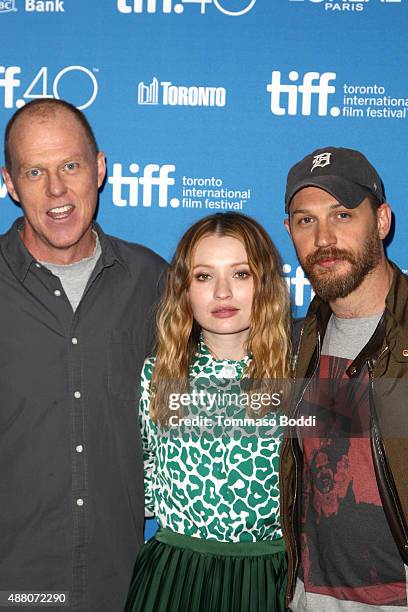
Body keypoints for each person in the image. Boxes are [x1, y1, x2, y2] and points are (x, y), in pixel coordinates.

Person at [0, 98, 166, 612]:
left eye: (70, 165)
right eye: (35, 171)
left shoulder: (153, 282)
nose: (56, 190)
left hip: (119, 588)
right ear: (9, 183)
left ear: (100, 169)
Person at [125, 212, 291, 612]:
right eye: (203, 276)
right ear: (184, 289)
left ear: (264, 284)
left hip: (268, 579)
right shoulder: (158, 376)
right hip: (172, 577)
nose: (221, 293)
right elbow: (144, 473)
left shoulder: (297, 377)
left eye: (240, 274)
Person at [280, 146, 408, 611]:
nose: (324, 238)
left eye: (342, 215)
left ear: (381, 221)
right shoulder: (296, 342)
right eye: (306, 220)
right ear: (289, 231)